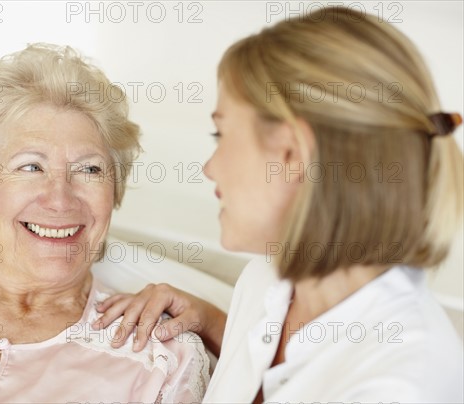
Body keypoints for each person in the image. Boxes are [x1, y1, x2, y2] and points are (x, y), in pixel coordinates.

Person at [92, 6, 464, 403]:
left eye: (221, 135)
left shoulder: (402, 387)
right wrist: (214, 323)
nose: (209, 168)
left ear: (293, 153)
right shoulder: (268, 278)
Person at [0, 43, 209, 403]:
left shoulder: (159, 356)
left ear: (115, 193)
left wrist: (214, 321)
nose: (60, 199)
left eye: (89, 169)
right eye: (31, 167)